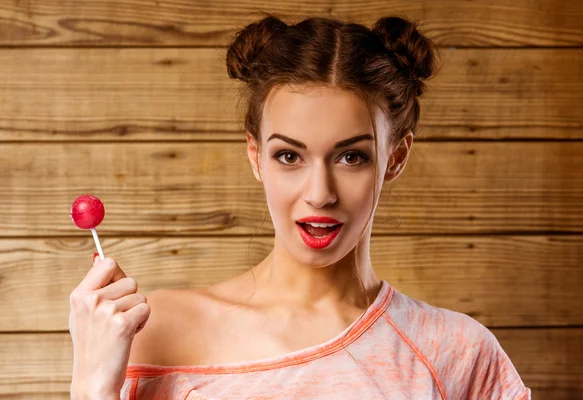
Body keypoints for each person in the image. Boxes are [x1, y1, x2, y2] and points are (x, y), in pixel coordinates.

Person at [69, 12, 532, 400]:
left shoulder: (458, 353)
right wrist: (91, 382)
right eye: (289, 156)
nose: (319, 193)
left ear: (395, 158)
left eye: (352, 157)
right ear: (256, 156)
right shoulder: (147, 331)